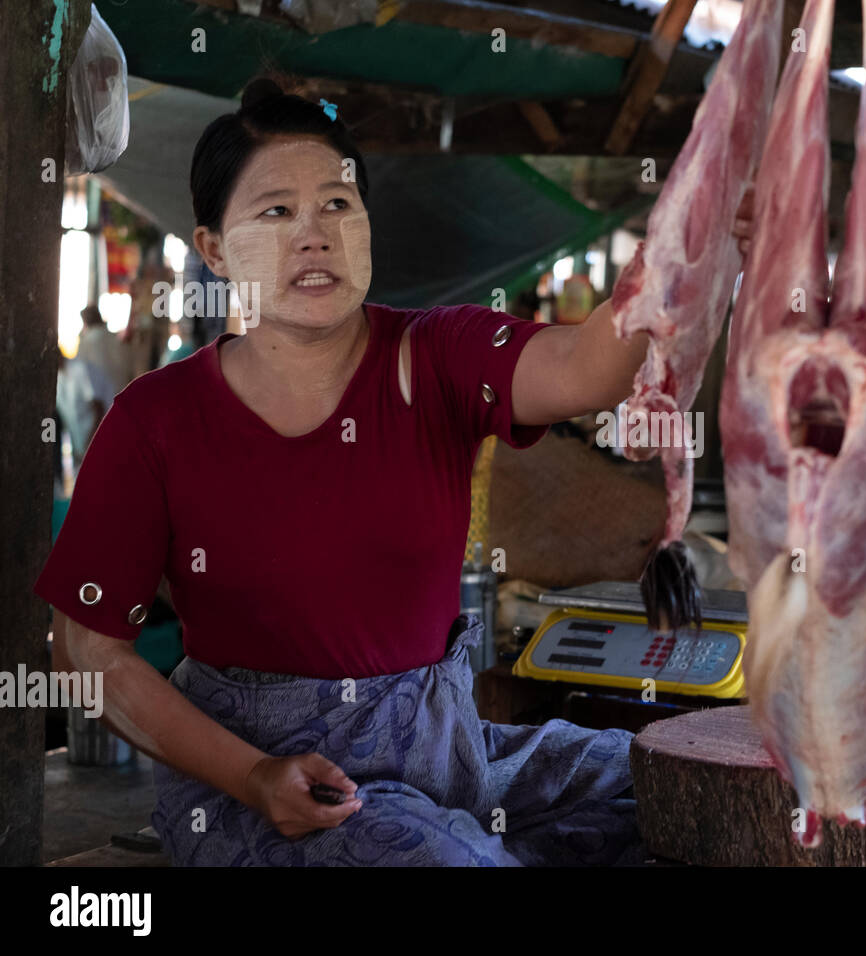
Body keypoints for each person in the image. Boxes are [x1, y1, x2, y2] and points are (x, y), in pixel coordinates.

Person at [34, 79, 753, 866]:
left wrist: (690, 245)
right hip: (269, 793)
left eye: (338, 205)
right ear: (213, 248)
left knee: (681, 781)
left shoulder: (438, 355)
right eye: (276, 211)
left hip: (451, 754)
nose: (314, 235)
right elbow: (85, 654)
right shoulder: (155, 420)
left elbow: (586, 369)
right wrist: (252, 775)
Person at [74, 303, 132, 396]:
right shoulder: (114, 338)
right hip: (120, 390)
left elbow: (80, 369)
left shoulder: (87, 341)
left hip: (100, 396)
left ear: (85, 322)